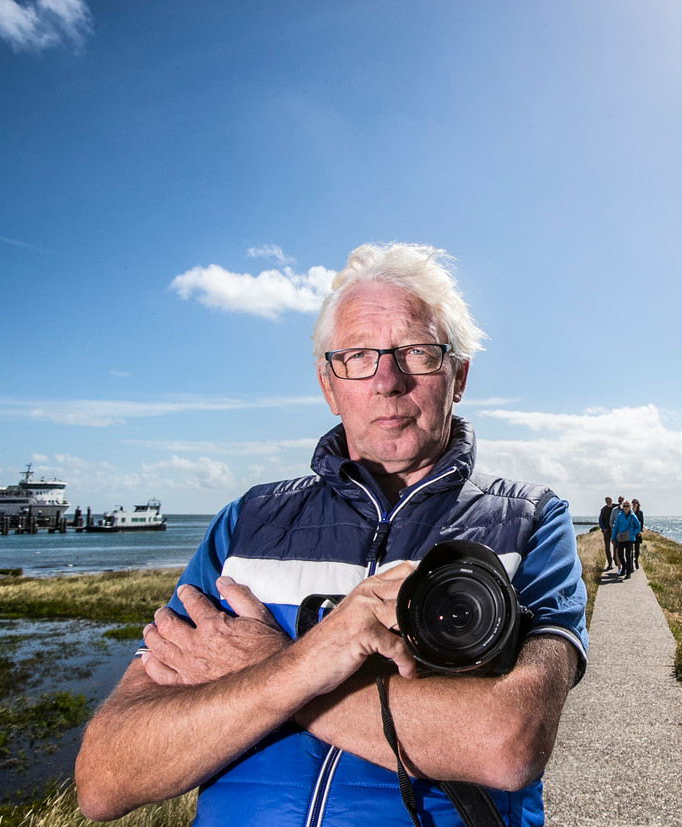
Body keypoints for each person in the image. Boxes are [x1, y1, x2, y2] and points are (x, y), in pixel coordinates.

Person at [75, 243, 588, 827]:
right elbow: (105, 779)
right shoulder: (246, 523)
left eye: (416, 352)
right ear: (327, 383)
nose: (387, 380)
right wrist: (306, 666)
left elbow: (509, 742)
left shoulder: (532, 520)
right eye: (358, 356)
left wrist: (269, 664)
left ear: (459, 375)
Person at [611, 501, 641, 579]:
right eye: (624, 506)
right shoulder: (619, 516)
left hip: (630, 539)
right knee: (620, 555)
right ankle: (623, 568)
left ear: (630, 507)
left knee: (628, 555)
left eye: (627, 506)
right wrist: (613, 537)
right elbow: (615, 527)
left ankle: (628, 573)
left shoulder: (633, 516)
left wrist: (633, 533)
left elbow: (638, 527)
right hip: (620, 538)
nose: (625, 507)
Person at [597, 496, 615, 569]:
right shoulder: (603, 509)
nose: (608, 502)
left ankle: (616, 559)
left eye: (609, 500)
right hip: (607, 531)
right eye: (607, 501)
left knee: (616, 546)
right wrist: (603, 528)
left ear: (611, 500)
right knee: (607, 548)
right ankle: (610, 563)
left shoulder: (616, 507)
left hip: (614, 530)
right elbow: (600, 520)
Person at [630, 498, 644, 570]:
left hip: (637, 533)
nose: (634, 504)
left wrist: (640, 531)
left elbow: (641, 522)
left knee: (637, 549)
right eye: (633, 502)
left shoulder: (640, 513)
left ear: (638, 504)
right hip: (631, 532)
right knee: (630, 549)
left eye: (636, 502)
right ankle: (631, 563)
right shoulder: (630, 512)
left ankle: (636, 560)